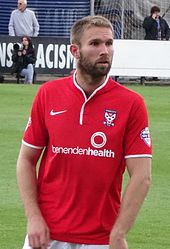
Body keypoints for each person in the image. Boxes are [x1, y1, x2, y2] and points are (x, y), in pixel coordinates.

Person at [16, 16, 152, 249]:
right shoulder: (48, 94)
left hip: (101, 239)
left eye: (109, 44)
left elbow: (142, 176)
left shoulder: (132, 103)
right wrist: (33, 217)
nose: (104, 51)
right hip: (47, 234)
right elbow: (26, 160)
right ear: (75, 50)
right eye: (95, 43)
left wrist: (119, 233)